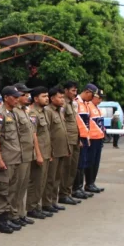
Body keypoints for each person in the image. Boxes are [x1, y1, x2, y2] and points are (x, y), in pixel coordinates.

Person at [0, 86, 23, 234]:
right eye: (14, 97)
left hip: (15, 157)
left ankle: (7, 218)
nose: (17, 99)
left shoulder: (13, 113)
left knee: (11, 190)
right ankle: (0, 221)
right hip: (6, 158)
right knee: (2, 191)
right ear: (6, 97)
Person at [11, 86, 41, 227]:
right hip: (19, 154)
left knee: (23, 186)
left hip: (28, 154)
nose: (27, 97)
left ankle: (21, 213)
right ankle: (13, 214)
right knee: (16, 186)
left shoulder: (25, 111)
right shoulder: (14, 112)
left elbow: (32, 133)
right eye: (24, 95)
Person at [43, 86, 70, 214]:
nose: (62, 99)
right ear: (52, 98)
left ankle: (53, 201)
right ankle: (47, 202)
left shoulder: (60, 111)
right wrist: (50, 150)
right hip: (53, 150)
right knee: (50, 178)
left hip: (62, 149)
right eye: (60, 97)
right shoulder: (48, 111)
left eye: (63, 97)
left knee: (57, 177)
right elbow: (47, 132)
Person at [27, 87, 53, 220]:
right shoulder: (33, 113)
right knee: (36, 181)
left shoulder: (44, 112)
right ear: (36, 99)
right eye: (44, 96)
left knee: (42, 181)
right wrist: (38, 154)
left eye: (47, 96)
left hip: (46, 151)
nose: (47, 98)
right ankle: (31, 207)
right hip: (40, 152)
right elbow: (34, 135)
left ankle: (37, 206)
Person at [59, 81, 82, 205]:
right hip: (67, 140)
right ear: (66, 90)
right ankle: (63, 193)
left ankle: (68, 192)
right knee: (66, 169)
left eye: (76, 90)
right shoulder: (63, 104)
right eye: (73, 90)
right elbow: (62, 123)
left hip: (75, 139)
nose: (75, 93)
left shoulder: (73, 104)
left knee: (73, 168)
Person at [72, 84, 96, 200]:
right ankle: (76, 188)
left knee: (82, 164)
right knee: (78, 164)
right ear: (87, 92)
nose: (93, 98)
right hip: (79, 138)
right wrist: (78, 138)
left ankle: (80, 187)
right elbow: (73, 123)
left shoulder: (85, 104)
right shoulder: (76, 103)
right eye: (92, 95)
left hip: (85, 138)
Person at [85, 89, 106, 193]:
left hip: (99, 138)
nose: (100, 100)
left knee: (96, 162)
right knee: (90, 162)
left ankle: (92, 182)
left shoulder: (98, 109)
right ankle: (88, 183)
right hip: (91, 139)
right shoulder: (88, 106)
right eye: (99, 98)